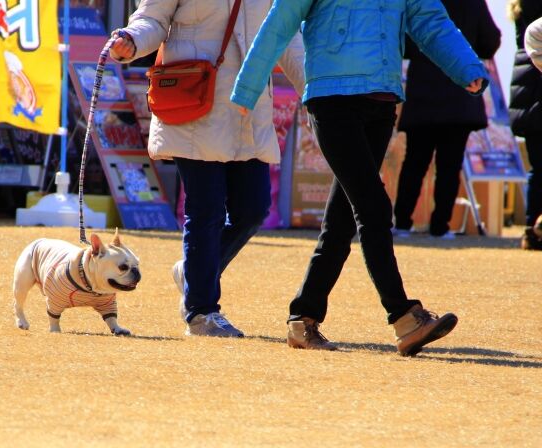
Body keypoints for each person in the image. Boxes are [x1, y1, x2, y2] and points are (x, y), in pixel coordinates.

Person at [231, 0, 489, 355]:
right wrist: (247, 87)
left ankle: (303, 319)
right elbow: (280, 22)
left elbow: (430, 21)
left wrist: (466, 67)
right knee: (373, 208)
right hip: (332, 99)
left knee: (341, 220)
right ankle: (404, 317)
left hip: (382, 101)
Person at [109, 0, 305, 337]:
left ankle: (192, 273)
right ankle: (201, 313)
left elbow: (287, 36)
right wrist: (131, 40)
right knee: (206, 211)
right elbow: (152, 19)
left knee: (253, 209)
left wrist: (316, 91)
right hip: (195, 104)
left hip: (248, 108)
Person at [393, 0, 501, 239]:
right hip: (459, 94)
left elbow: (403, 43)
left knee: (414, 163)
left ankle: (402, 223)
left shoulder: (420, 1)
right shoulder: (473, 3)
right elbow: (490, 41)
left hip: (423, 93)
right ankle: (440, 226)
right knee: (449, 167)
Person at [508, 0, 542, 251]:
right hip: (536, 87)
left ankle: (531, 228)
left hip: (524, 92)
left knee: (537, 168)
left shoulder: (520, 7)